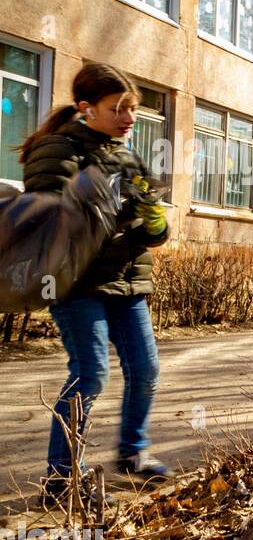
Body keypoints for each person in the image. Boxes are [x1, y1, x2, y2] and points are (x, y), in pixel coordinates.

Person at [19, 62, 170, 507]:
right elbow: (53, 219)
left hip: (127, 280)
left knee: (145, 370)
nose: (129, 118)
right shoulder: (57, 150)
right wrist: (121, 212)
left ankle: (133, 454)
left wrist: (153, 224)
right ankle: (61, 478)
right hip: (75, 282)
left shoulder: (127, 154)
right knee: (91, 373)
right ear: (86, 108)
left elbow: (148, 229)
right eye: (118, 108)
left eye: (133, 109)